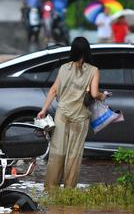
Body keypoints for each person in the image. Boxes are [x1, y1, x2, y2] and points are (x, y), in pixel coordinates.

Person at [38, 37, 107, 189]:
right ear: (87, 51)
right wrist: (105, 95)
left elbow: (53, 90)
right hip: (80, 118)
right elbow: (95, 94)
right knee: (74, 156)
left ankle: (50, 189)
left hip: (62, 115)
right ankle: (69, 191)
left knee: (57, 153)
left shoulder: (64, 68)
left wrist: (44, 109)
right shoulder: (93, 70)